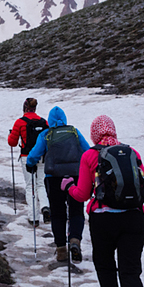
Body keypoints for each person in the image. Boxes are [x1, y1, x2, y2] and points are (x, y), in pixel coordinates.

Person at [62, 115, 144, 287]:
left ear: (94, 133)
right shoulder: (131, 152)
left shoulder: (90, 156)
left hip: (103, 220)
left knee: (105, 268)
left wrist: (67, 187)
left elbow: (82, 194)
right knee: (131, 273)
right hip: (134, 219)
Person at [25, 106, 89, 262]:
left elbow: (34, 154)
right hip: (75, 175)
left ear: (50, 121)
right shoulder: (74, 131)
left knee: (58, 213)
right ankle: (75, 240)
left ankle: (61, 249)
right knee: (76, 210)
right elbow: (87, 150)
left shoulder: (46, 134)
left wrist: (30, 164)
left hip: (53, 178)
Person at [7, 97, 50, 227]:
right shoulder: (44, 122)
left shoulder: (20, 122)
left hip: (26, 157)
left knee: (30, 186)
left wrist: (11, 134)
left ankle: (33, 218)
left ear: (24, 108)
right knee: (41, 184)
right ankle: (45, 207)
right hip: (42, 157)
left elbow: (12, 142)